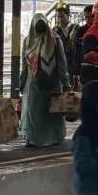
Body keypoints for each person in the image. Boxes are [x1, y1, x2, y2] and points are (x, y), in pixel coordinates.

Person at [20, 14, 68, 148]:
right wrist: (65, 83)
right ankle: (40, 138)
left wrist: (66, 83)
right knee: (41, 113)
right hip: (42, 83)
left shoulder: (33, 41)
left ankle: (38, 138)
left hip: (40, 83)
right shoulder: (52, 40)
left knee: (45, 111)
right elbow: (61, 64)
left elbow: (62, 63)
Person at [70, 4, 94, 85]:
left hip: (97, 69)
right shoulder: (81, 31)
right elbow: (77, 51)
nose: (89, 20)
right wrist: (76, 70)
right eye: (86, 17)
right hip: (83, 68)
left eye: (91, 17)